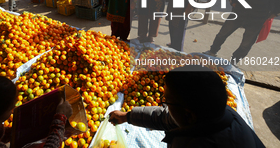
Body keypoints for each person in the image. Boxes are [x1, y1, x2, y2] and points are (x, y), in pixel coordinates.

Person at [109, 65, 265, 148]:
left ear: (188, 114)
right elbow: (166, 117)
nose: (165, 106)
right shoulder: (221, 113)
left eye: (167, 102)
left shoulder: (193, 143)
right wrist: (127, 116)